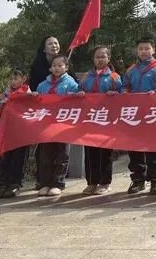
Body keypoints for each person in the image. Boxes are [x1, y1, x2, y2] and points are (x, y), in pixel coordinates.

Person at [122, 36, 156, 195]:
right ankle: (138, 180)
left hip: (154, 115)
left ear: (153, 50)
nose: (144, 51)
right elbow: (125, 86)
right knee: (134, 147)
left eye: (147, 48)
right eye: (141, 49)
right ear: (137, 51)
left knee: (153, 148)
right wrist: (125, 92)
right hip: (134, 115)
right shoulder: (131, 70)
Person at [78, 45, 122, 196]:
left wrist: (115, 94)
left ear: (109, 58)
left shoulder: (114, 77)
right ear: (93, 59)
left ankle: (104, 182)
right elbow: (78, 90)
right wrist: (80, 93)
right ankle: (91, 182)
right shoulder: (86, 76)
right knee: (90, 151)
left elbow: (123, 95)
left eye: (103, 56)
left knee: (105, 152)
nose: (100, 59)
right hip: (89, 120)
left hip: (107, 120)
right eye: (97, 57)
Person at [35, 54, 79, 196]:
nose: (57, 68)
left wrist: (76, 96)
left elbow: (78, 102)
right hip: (46, 126)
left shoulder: (71, 84)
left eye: (60, 65)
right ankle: (45, 183)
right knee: (45, 155)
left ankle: (58, 183)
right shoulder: (43, 85)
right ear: (50, 68)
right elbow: (37, 103)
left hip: (63, 125)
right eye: (54, 65)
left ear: (66, 67)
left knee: (62, 155)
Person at [0, 68, 32, 199]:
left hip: (21, 134)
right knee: (4, 160)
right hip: (6, 133)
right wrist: (0, 103)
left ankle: (14, 184)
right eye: (11, 79)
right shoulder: (4, 95)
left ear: (23, 79)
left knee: (18, 160)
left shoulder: (28, 94)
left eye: (16, 78)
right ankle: (2, 184)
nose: (13, 81)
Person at [28, 35, 60, 191]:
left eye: (56, 43)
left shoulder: (65, 62)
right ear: (44, 48)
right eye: (50, 43)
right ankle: (42, 179)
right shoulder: (37, 65)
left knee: (60, 146)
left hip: (61, 112)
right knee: (43, 145)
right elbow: (33, 87)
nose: (54, 46)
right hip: (42, 111)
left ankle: (57, 180)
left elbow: (74, 83)